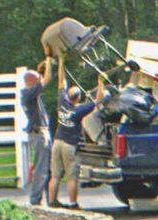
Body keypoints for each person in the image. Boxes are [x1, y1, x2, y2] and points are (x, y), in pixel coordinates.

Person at [48, 51, 104, 209]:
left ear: (67, 96)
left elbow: (61, 81)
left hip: (57, 142)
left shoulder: (61, 103)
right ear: (77, 98)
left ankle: (52, 202)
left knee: (55, 175)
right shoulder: (78, 110)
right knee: (72, 176)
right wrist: (101, 82)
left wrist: (61, 61)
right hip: (69, 146)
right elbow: (98, 100)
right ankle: (72, 203)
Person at [21, 45, 53, 206]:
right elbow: (47, 80)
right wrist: (49, 58)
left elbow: (42, 79)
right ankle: (35, 200)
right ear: (32, 82)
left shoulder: (28, 94)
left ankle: (44, 198)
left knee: (44, 168)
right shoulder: (28, 93)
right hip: (39, 133)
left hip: (39, 132)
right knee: (41, 169)